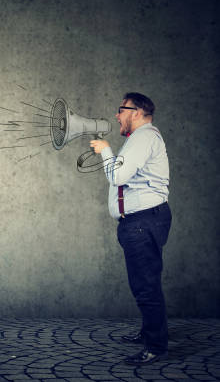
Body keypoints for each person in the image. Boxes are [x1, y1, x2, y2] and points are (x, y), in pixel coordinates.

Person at [90, 92, 171, 365]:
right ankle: (150, 332)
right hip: (142, 221)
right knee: (145, 282)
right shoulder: (139, 138)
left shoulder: (144, 137)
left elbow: (118, 175)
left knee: (145, 285)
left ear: (136, 112)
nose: (116, 115)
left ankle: (155, 346)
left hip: (143, 222)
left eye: (121, 109)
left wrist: (105, 150)